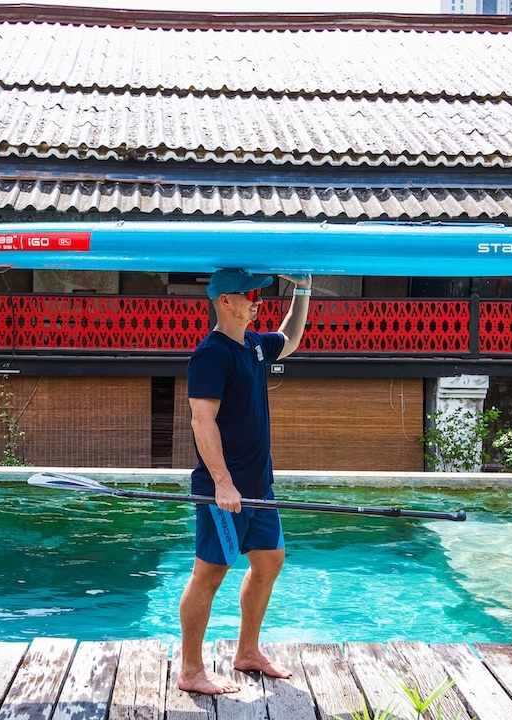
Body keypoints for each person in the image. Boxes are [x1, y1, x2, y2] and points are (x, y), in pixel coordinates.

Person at [177, 267, 312, 695]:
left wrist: (303, 290)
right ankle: (191, 670)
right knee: (210, 573)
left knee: (269, 561)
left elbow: (289, 339)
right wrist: (222, 483)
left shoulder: (253, 344)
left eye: (258, 293)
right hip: (224, 490)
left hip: (258, 487)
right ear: (224, 301)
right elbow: (202, 420)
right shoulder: (211, 354)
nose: (257, 299)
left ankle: (247, 652)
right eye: (248, 294)